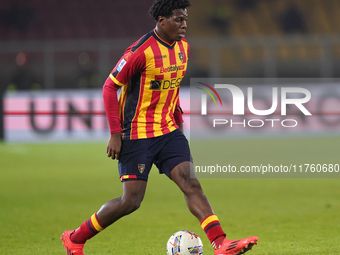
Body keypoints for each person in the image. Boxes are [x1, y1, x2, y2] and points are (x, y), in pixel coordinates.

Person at [61, 1, 258, 254]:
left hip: (167, 131)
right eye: (178, 19)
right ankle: (75, 238)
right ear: (161, 21)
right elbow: (110, 87)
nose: (184, 24)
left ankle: (220, 243)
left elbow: (171, 87)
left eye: (185, 19)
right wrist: (115, 133)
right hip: (137, 133)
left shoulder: (183, 48)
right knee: (131, 201)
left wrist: (178, 122)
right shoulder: (140, 51)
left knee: (191, 183)